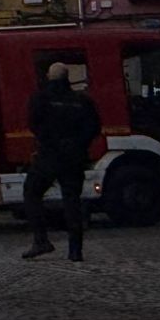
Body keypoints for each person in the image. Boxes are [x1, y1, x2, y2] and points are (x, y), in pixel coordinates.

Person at [23, 62, 101, 261]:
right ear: (67, 78)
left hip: (49, 157)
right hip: (74, 158)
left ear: (49, 77)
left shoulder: (40, 98)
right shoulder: (82, 101)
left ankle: (41, 240)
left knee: (32, 193)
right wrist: (77, 145)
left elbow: (34, 124)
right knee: (72, 202)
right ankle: (75, 250)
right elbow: (94, 127)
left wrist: (50, 143)